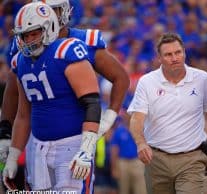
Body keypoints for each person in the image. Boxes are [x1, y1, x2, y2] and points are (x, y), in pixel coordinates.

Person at [0, 0, 129, 190]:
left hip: (72, 137)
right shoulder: (23, 51)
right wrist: (6, 137)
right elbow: (16, 99)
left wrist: (107, 118)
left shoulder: (76, 44)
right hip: (38, 140)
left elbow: (118, 80)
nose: (49, 14)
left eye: (54, 10)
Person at [127, 32, 207, 194]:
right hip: (156, 160)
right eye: (168, 55)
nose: (174, 58)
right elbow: (137, 118)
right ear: (159, 58)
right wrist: (141, 143)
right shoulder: (147, 82)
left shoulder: (203, 79)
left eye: (178, 52)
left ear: (184, 52)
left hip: (192, 158)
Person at [110, 113, 147, 194]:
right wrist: (114, 168)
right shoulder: (119, 131)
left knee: (140, 189)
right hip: (122, 163)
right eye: (127, 114)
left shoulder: (140, 129)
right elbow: (114, 150)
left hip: (137, 162)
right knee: (123, 189)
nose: (128, 116)